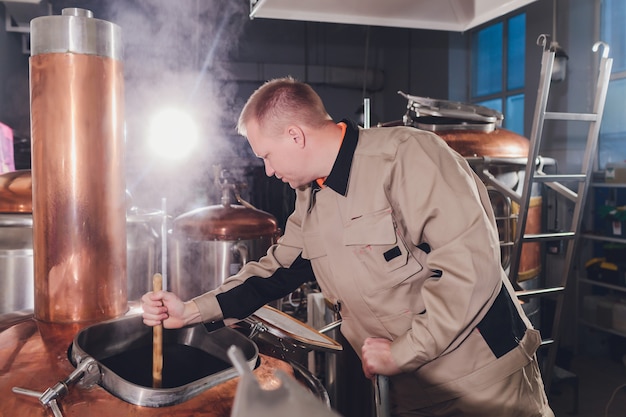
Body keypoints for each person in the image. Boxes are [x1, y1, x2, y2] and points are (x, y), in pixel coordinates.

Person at [142, 76, 554, 417]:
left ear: (295, 135)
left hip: (483, 384)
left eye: (267, 155)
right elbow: (277, 270)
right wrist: (192, 310)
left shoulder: (407, 158)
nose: (267, 170)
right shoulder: (313, 198)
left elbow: (470, 271)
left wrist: (403, 352)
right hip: (411, 386)